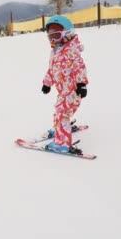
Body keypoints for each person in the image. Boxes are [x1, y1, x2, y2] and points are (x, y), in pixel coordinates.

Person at [40, 15, 89, 155]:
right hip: (63, 91)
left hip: (73, 90)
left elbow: (80, 68)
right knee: (62, 112)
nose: (53, 40)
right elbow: (52, 69)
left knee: (61, 113)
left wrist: (81, 84)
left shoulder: (71, 51)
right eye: (50, 36)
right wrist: (47, 83)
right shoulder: (55, 52)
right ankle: (61, 127)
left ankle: (61, 143)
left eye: (56, 36)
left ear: (67, 34)